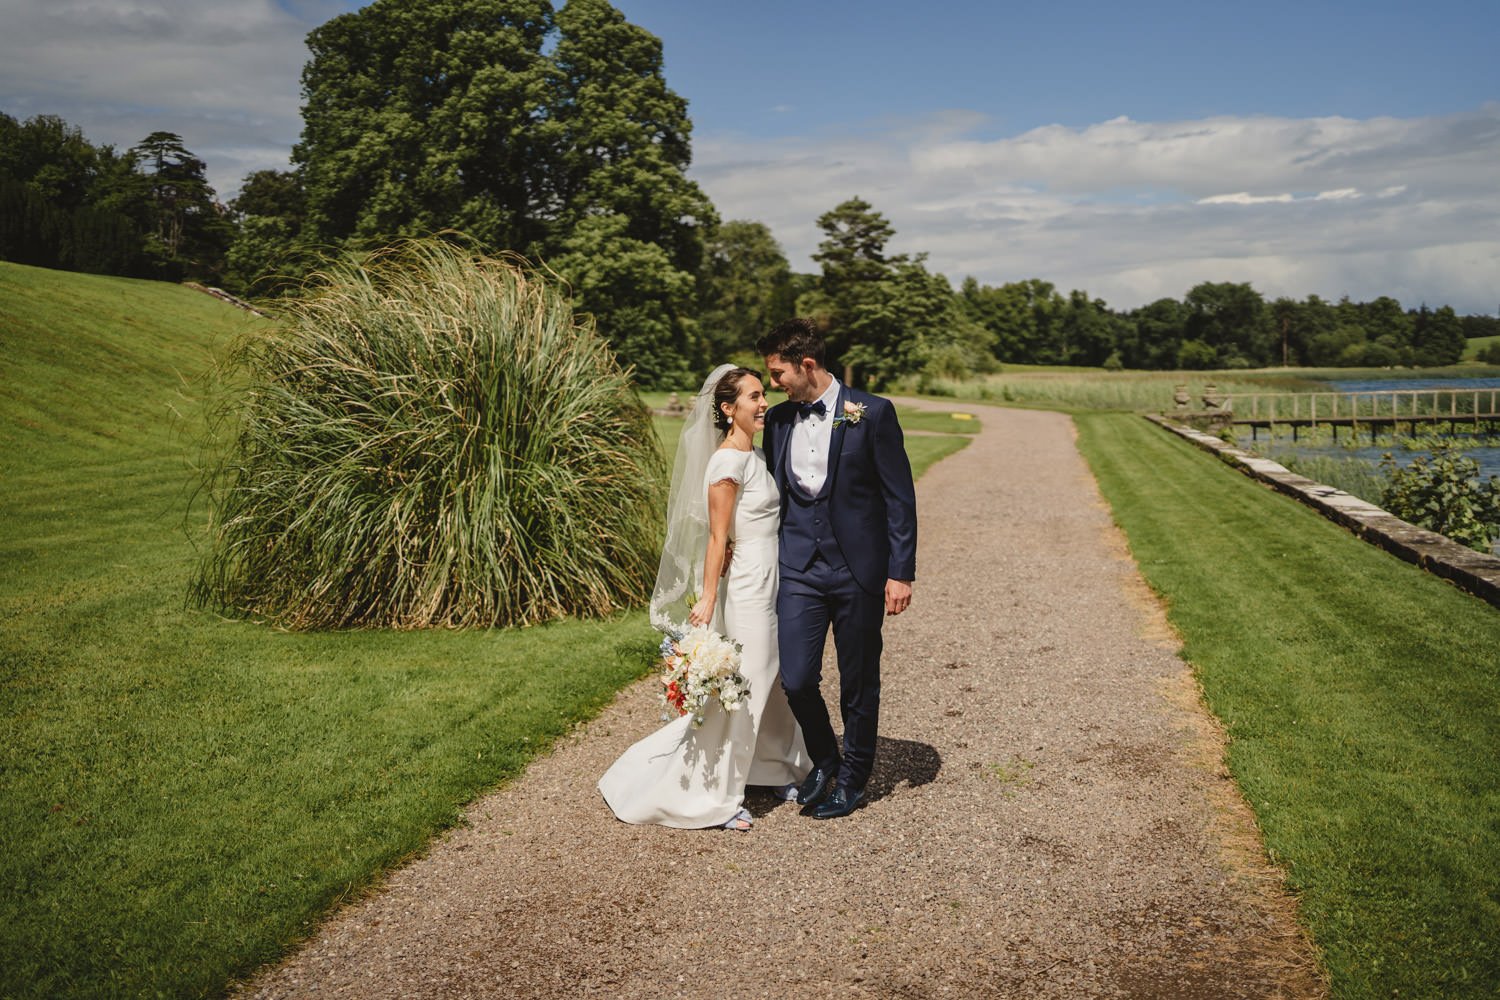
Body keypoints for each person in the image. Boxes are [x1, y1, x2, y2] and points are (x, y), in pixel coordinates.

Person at [598, 365, 810, 830]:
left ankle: (774, 764)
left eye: (762, 395)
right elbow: (717, 538)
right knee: (750, 679)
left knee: (772, 677)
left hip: (771, 574)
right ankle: (716, 792)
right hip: (749, 582)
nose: (762, 404)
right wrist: (709, 597)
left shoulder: (752, 454)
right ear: (727, 408)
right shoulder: (726, 463)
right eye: (753, 397)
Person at [757, 319, 917, 820]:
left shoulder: (872, 413)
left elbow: (899, 498)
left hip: (859, 571)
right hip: (800, 569)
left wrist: (901, 571)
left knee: (858, 680)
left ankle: (854, 779)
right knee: (799, 678)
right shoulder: (781, 422)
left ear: (806, 365)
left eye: (778, 373)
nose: (773, 385)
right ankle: (826, 759)